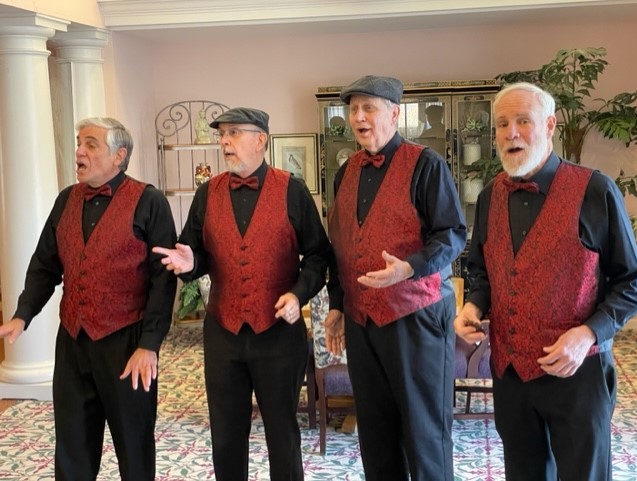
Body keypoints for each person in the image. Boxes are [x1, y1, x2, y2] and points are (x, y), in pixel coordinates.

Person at [454, 82, 637, 481]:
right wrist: (473, 306)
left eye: (523, 121)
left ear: (550, 125)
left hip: (579, 374)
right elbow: (479, 270)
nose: (511, 133)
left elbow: (632, 280)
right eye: (502, 124)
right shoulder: (488, 196)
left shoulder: (595, 190)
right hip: (511, 375)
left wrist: (589, 333)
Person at [153, 107, 330, 481]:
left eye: (233, 133)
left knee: (283, 435)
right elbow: (194, 253)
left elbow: (318, 254)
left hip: (278, 335)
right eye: (221, 135)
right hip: (223, 335)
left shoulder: (292, 190)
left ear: (261, 139)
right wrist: (189, 263)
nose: (225, 142)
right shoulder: (207, 193)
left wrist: (298, 295)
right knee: (226, 436)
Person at [0, 117, 178, 480]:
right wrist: (23, 314)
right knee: (72, 442)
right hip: (73, 341)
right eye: (79, 142)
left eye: (91, 144)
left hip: (127, 341)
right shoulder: (66, 199)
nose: (79, 151)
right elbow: (44, 265)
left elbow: (163, 281)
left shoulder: (149, 201)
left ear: (119, 155)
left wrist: (150, 344)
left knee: (134, 441)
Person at [324, 75, 466, 481]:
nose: (359, 117)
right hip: (362, 321)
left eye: (369, 108)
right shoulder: (345, 171)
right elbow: (340, 244)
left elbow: (453, 234)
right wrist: (337, 305)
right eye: (353, 109)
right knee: (375, 432)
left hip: (417, 316)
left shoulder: (426, 164)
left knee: (424, 434)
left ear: (394, 113)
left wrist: (409, 267)